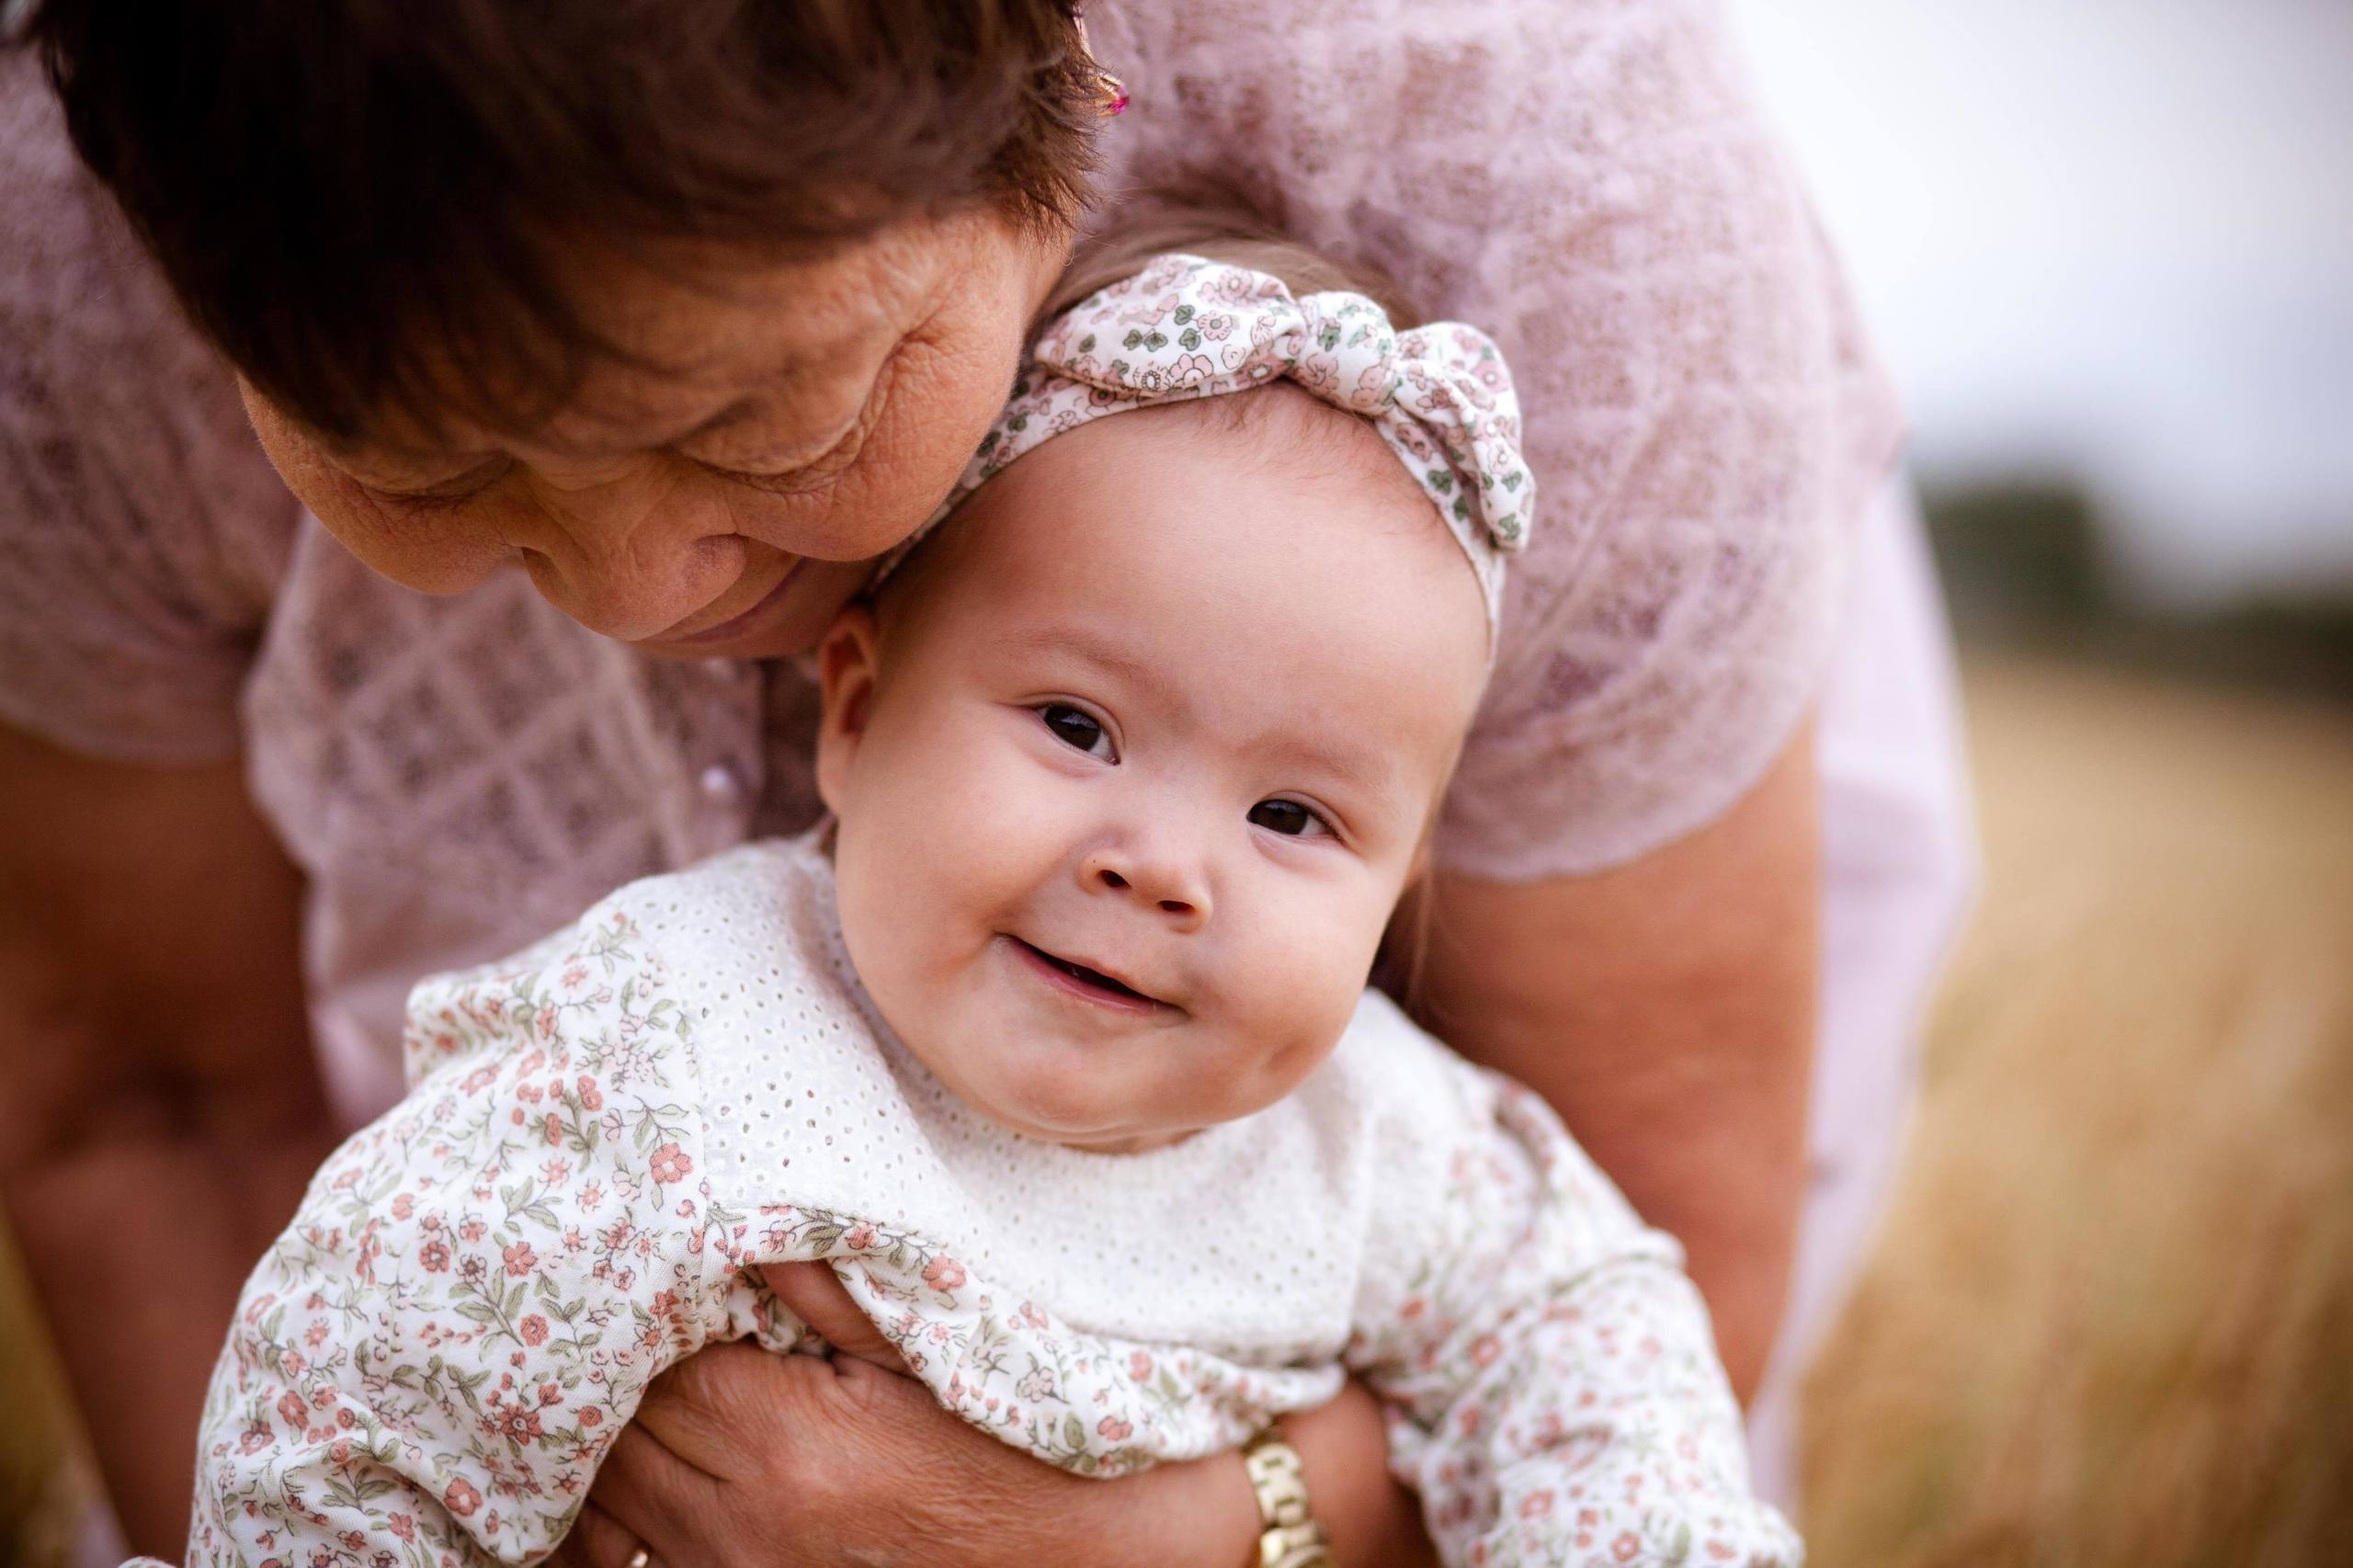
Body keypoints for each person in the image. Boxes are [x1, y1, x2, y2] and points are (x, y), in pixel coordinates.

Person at [0, 1, 1970, 1560]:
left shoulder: (1547, 161)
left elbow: (1627, 1326)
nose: (631, 597)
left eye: (785, 413)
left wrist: (1211, 1538)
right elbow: (204, 1197)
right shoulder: (648, 1053)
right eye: (417, 465)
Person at [171, 252, 1797, 1568]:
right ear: (860, 712)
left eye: (1293, 816)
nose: (1164, 865)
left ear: (1399, 887)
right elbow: (351, 1420)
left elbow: (1588, 1345)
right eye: (1079, 727)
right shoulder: (673, 1049)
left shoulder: (1381, 1141)